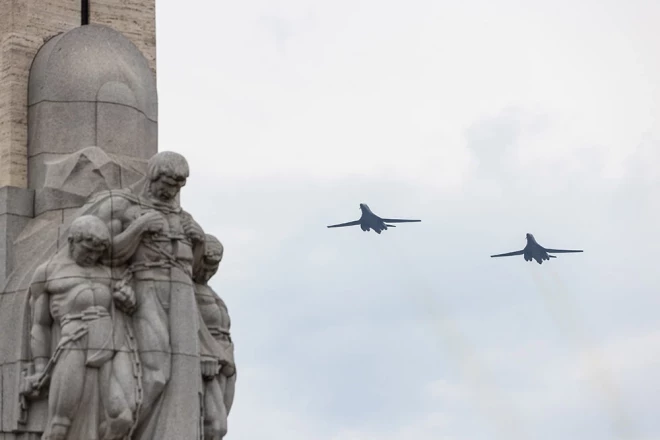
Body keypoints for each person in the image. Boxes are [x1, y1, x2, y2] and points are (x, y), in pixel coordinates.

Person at [83, 151, 216, 440]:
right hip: (147, 288)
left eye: (178, 185)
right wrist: (139, 228)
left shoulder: (185, 218)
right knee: (154, 374)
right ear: (153, 177)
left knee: (184, 373)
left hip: (182, 297)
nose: (171, 190)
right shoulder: (128, 207)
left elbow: (192, 271)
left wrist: (199, 242)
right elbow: (108, 255)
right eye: (167, 182)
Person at [23, 215, 137, 440]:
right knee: (59, 423)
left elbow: (127, 303)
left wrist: (128, 299)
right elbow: (40, 325)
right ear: (72, 241)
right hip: (73, 341)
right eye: (88, 250)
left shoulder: (107, 272)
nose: (93, 256)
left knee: (123, 416)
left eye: (98, 252)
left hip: (108, 343)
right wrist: (39, 367)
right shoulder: (47, 273)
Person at [194, 235, 236, 440]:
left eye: (215, 265)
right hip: (208, 359)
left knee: (220, 427)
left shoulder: (211, 292)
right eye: (207, 263)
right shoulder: (186, 289)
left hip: (226, 360)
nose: (210, 270)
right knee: (214, 426)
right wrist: (204, 351)